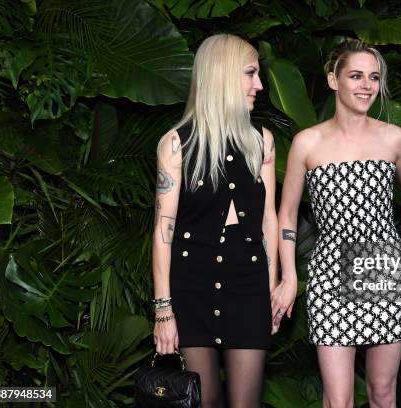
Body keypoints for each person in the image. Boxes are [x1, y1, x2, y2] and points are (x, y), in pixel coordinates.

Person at [272, 39, 401, 408]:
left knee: (382, 391)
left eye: (373, 77)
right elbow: (287, 214)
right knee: (338, 400)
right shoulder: (307, 143)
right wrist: (289, 276)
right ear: (332, 80)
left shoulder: (394, 138)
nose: (366, 86)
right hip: (330, 275)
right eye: (355, 76)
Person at [151, 33, 278, 408]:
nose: (259, 85)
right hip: (191, 286)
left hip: (248, 283)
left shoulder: (262, 141)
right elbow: (163, 232)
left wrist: (268, 290)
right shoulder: (176, 144)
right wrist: (163, 310)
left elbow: (267, 221)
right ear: (222, 75)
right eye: (250, 74)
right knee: (203, 401)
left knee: (245, 403)